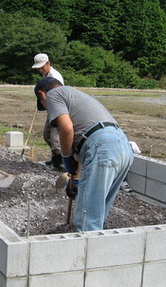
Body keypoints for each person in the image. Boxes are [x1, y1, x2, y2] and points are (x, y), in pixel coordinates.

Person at [34, 77, 134, 232]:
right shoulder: (77, 96)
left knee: (87, 221)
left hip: (102, 148)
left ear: (42, 95)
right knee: (97, 214)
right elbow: (86, 145)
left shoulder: (53, 95)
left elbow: (66, 129)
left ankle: (83, 254)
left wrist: (66, 158)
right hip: (121, 146)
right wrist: (76, 180)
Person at [32, 53, 65, 171]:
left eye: (42, 67)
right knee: (47, 136)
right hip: (51, 109)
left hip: (59, 110)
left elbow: (58, 97)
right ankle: (56, 159)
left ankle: (60, 164)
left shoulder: (55, 77)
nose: (40, 70)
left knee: (55, 137)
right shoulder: (46, 76)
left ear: (48, 63)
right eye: (38, 68)